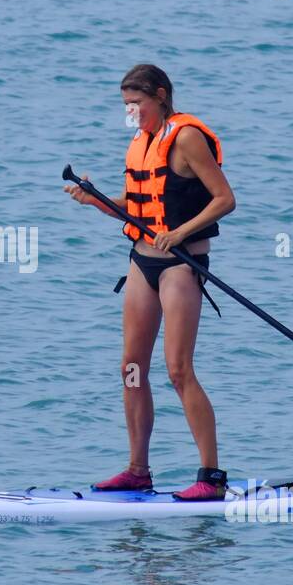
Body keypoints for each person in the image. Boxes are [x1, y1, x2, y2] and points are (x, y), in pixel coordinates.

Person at [64, 64, 236, 500]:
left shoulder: (186, 138)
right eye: (127, 106)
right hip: (142, 262)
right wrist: (95, 200)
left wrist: (180, 233)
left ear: (161, 96)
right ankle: (138, 470)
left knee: (178, 370)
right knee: (132, 368)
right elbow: (137, 206)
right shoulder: (141, 142)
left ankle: (212, 478)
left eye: (137, 104)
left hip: (182, 265)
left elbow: (224, 199)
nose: (132, 113)